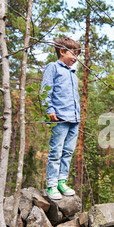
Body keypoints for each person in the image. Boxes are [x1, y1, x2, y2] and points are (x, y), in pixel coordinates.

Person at [41, 36, 81, 200]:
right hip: (59, 119)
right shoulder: (53, 67)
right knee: (56, 151)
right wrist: (49, 110)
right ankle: (51, 184)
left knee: (68, 152)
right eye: (74, 54)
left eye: (78, 55)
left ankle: (61, 181)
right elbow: (45, 90)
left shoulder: (73, 74)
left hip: (74, 119)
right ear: (62, 51)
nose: (76, 58)